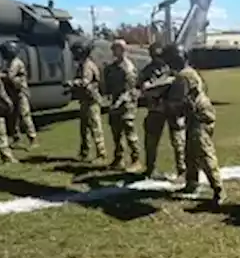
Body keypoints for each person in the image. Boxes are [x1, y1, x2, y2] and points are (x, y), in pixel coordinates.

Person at [163, 44, 224, 206]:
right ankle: (191, 184)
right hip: (196, 116)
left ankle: (218, 189)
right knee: (190, 153)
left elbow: (177, 102)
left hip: (199, 117)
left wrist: (162, 103)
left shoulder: (183, 76)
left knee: (204, 152)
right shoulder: (187, 72)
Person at [138, 42, 187, 180]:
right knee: (151, 141)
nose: (157, 58)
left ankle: (182, 169)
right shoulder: (147, 70)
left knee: (178, 141)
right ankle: (150, 169)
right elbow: (144, 89)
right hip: (156, 110)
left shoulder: (172, 68)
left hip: (173, 109)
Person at [102, 39, 142, 170]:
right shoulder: (112, 67)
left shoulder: (128, 68)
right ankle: (118, 159)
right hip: (115, 104)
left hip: (126, 105)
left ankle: (136, 159)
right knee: (116, 133)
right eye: (113, 48)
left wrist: (119, 102)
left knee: (130, 133)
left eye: (116, 48)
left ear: (123, 50)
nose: (113, 51)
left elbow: (130, 90)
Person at [67, 39, 106, 162]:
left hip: (91, 101)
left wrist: (72, 84)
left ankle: (101, 154)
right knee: (84, 129)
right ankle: (84, 152)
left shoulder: (87, 66)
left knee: (95, 128)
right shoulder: (83, 64)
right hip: (85, 100)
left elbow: (85, 81)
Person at [0, 40, 37, 148]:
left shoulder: (16, 63)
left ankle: (32, 138)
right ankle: (16, 137)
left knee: (24, 115)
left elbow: (9, 76)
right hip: (13, 92)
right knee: (13, 117)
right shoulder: (9, 62)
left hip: (21, 93)